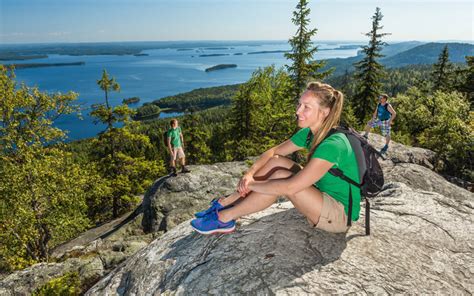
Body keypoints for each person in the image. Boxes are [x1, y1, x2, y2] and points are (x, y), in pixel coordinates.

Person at [191, 82, 361, 235]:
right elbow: (273, 152)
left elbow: (291, 187)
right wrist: (250, 173)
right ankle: (227, 202)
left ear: (324, 112)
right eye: (299, 104)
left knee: (281, 177)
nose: (298, 111)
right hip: (321, 193)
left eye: (306, 107)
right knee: (276, 161)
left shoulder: (333, 145)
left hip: (339, 214)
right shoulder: (311, 133)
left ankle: (224, 217)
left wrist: (252, 185)